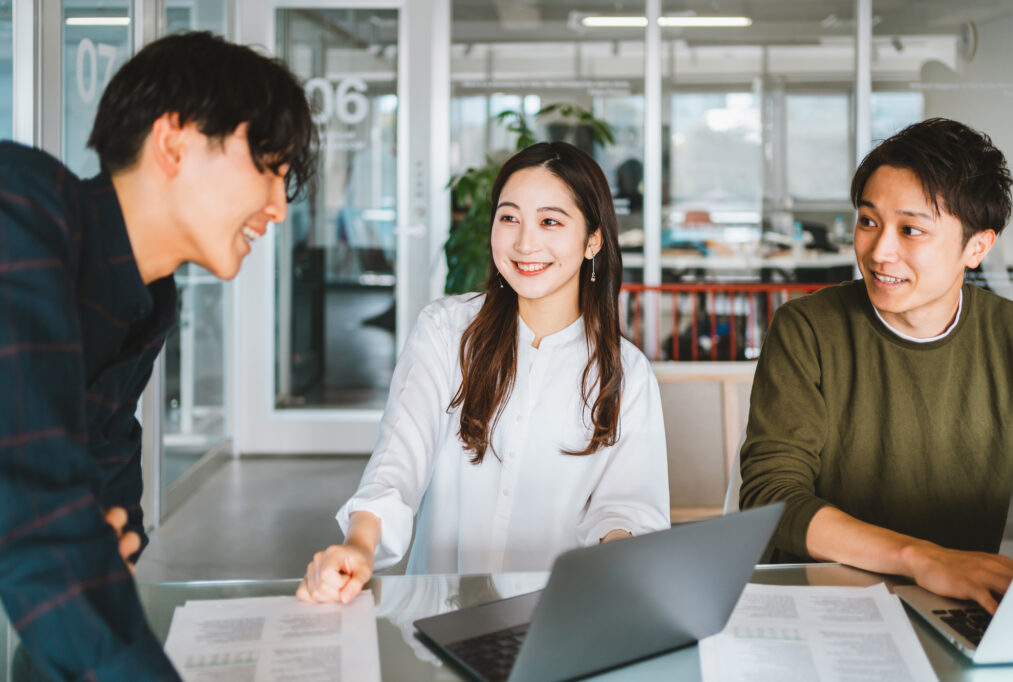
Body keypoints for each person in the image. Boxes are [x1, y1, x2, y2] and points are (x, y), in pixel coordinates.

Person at [0, 32, 314, 680]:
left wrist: (97, 545)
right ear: (174, 143)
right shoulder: (21, 209)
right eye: (268, 166)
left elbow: (102, 505)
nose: (280, 208)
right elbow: (41, 514)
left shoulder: (144, 300)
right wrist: (77, 544)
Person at [298, 142, 669, 604]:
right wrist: (359, 543)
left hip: (558, 621)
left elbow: (627, 508)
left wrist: (620, 552)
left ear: (592, 239)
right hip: (436, 624)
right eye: (509, 217)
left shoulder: (626, 371)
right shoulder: (446, 331)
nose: (524, 243)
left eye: (550, 221)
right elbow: (398, 462)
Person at [740, 118, 1013, 615]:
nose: (878, 251)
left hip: (958, 606)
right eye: (868, 221)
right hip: (818, 602)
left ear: (977, 247)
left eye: (911, 230)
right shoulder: (807, 327)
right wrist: (922, 558)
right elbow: (771, 497)